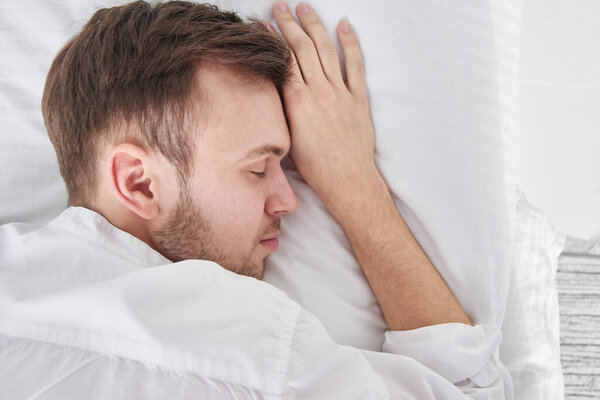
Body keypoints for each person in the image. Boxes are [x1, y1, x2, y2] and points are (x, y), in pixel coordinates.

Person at [0, 1, 512, 398]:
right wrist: (355, 185)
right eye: (258, 167)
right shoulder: (254, 352)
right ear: (139, 183)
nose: (288, 199)